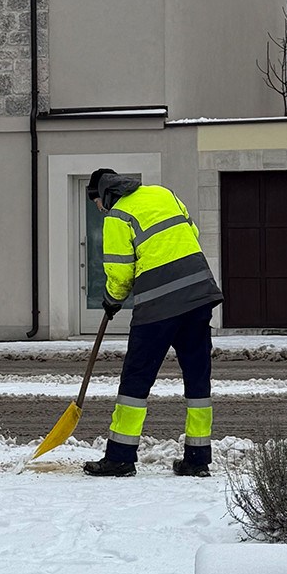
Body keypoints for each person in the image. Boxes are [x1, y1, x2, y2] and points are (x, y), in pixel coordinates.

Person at [82, 168, 223, 478]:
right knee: (198, 379)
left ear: (104, 193)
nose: (99, 208)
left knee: (136, 379)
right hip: (199, 295)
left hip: (158, 307)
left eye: (97, 201)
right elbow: (191, 235)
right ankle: (197, 460)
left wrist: (111, 300)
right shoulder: (163, 193)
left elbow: (120, 273)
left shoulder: (118, 216)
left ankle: (120, 458)